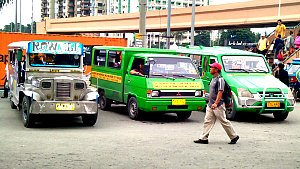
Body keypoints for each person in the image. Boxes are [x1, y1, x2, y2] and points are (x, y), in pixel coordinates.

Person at [194, 62, 239, 144]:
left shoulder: (220, 79)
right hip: (211, 104)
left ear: (216, 70)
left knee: (223, 121)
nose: (210, 69)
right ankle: (203, 138)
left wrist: (216, 103)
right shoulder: (213, 79)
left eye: (212, 68)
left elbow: (220, 92)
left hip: (218, 105)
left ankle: (234, 136)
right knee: (207, 121)